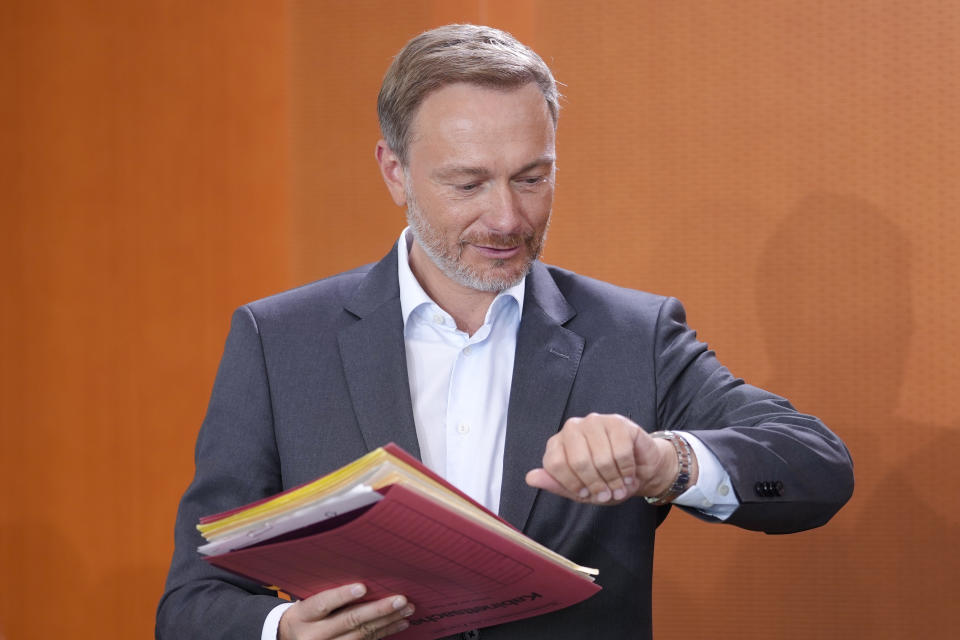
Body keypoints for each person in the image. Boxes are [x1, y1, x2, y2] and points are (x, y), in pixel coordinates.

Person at [157, 24, 853, 640]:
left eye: (532, 178)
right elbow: (191, 604)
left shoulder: (635, 334)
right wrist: (282, 629)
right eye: (467, 184)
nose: (507, 218)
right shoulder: (278, 341)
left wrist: (665, 463)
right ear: (394, 173)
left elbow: (817, 469)